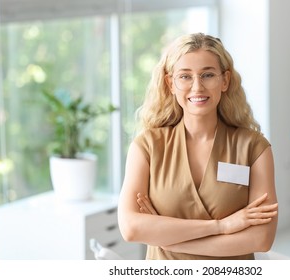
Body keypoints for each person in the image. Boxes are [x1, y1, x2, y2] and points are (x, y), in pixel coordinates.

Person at [118, 32, 278, 260]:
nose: (197, 87)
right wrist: (221, 226)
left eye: (208, 75)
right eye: (185, 76)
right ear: (170, 83)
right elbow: (131, 228)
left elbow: (261, 239)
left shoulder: (254, 148)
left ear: (225, 81)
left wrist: (165, 238)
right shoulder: (147, 147)